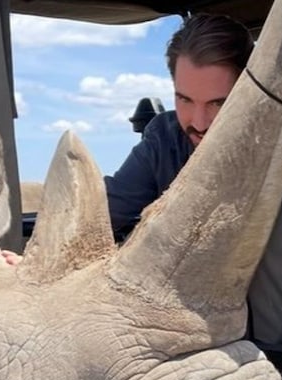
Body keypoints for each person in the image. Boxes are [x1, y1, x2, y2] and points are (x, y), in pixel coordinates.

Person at [104, 14, 254, 240]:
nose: (198, 123)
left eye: (218, 103)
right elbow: (105, 214)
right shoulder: (164, 138)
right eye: (185, 99)